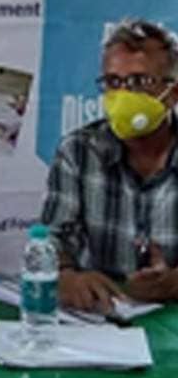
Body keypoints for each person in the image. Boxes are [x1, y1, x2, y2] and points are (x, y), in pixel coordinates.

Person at [42, 19, 178, 313]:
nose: (124, 95)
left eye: (141, 82)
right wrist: (66, 276)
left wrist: (173, 282)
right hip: (104, 315)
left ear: (173, 93)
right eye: (113, 83)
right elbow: (54, 237)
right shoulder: (78, 151)